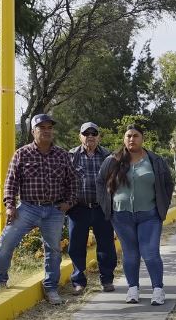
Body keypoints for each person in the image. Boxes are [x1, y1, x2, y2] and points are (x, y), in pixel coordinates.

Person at [0, 114, 77, 305]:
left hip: (54, 210)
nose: (46, 131)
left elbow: (73, 181)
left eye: (49, 127)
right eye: (41, 127)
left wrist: (68, 203)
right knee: (6, 242)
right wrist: (10, 206)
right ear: (33, 131)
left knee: (53, 250)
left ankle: (51, 288)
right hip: (28, 208)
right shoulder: (22, 154)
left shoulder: (62, 155)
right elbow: (11, 182)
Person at [97, 125, 174, 306]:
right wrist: (107, 206)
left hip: (149, 215)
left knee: (150, 253)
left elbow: (167, 184)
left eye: (135, 136)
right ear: (124, 139)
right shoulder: (112, 160)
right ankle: (133, 289)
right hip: (121, 216)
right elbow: (100, 182)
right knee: (130, 254)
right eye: (128, 136)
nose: (132, 139)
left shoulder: (155, 160)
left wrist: (163, 205)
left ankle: (158, 289)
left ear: (142, 138)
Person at [68, 122, 117, 295]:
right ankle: (78, 282)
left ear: (99, 137)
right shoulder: (71, 156)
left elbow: (116, 181)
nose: (90, 136)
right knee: (76, 246)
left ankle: (107, 280)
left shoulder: (108, 156)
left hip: (101, 208)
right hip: (78, 209)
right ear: (80, 136)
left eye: (94, 133)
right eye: (86, 133)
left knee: (106, 246)